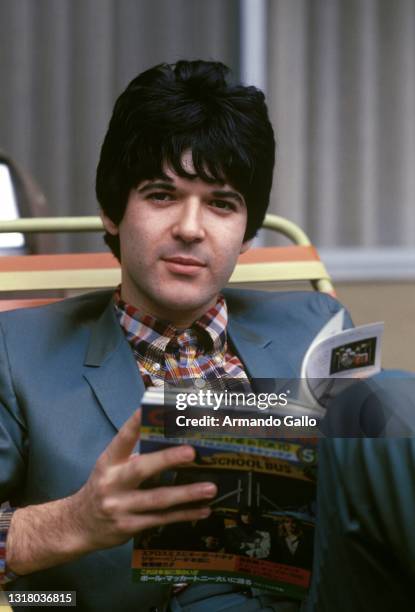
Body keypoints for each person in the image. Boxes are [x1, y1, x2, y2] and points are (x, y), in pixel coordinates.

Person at [0, 60, 352, 611]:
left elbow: (374, 502)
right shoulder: (15, 351)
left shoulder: (316, 327)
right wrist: (75, 522)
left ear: (247, 235)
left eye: (221, 203)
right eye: (162, 195)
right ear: (113, 214)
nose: (191, 227)